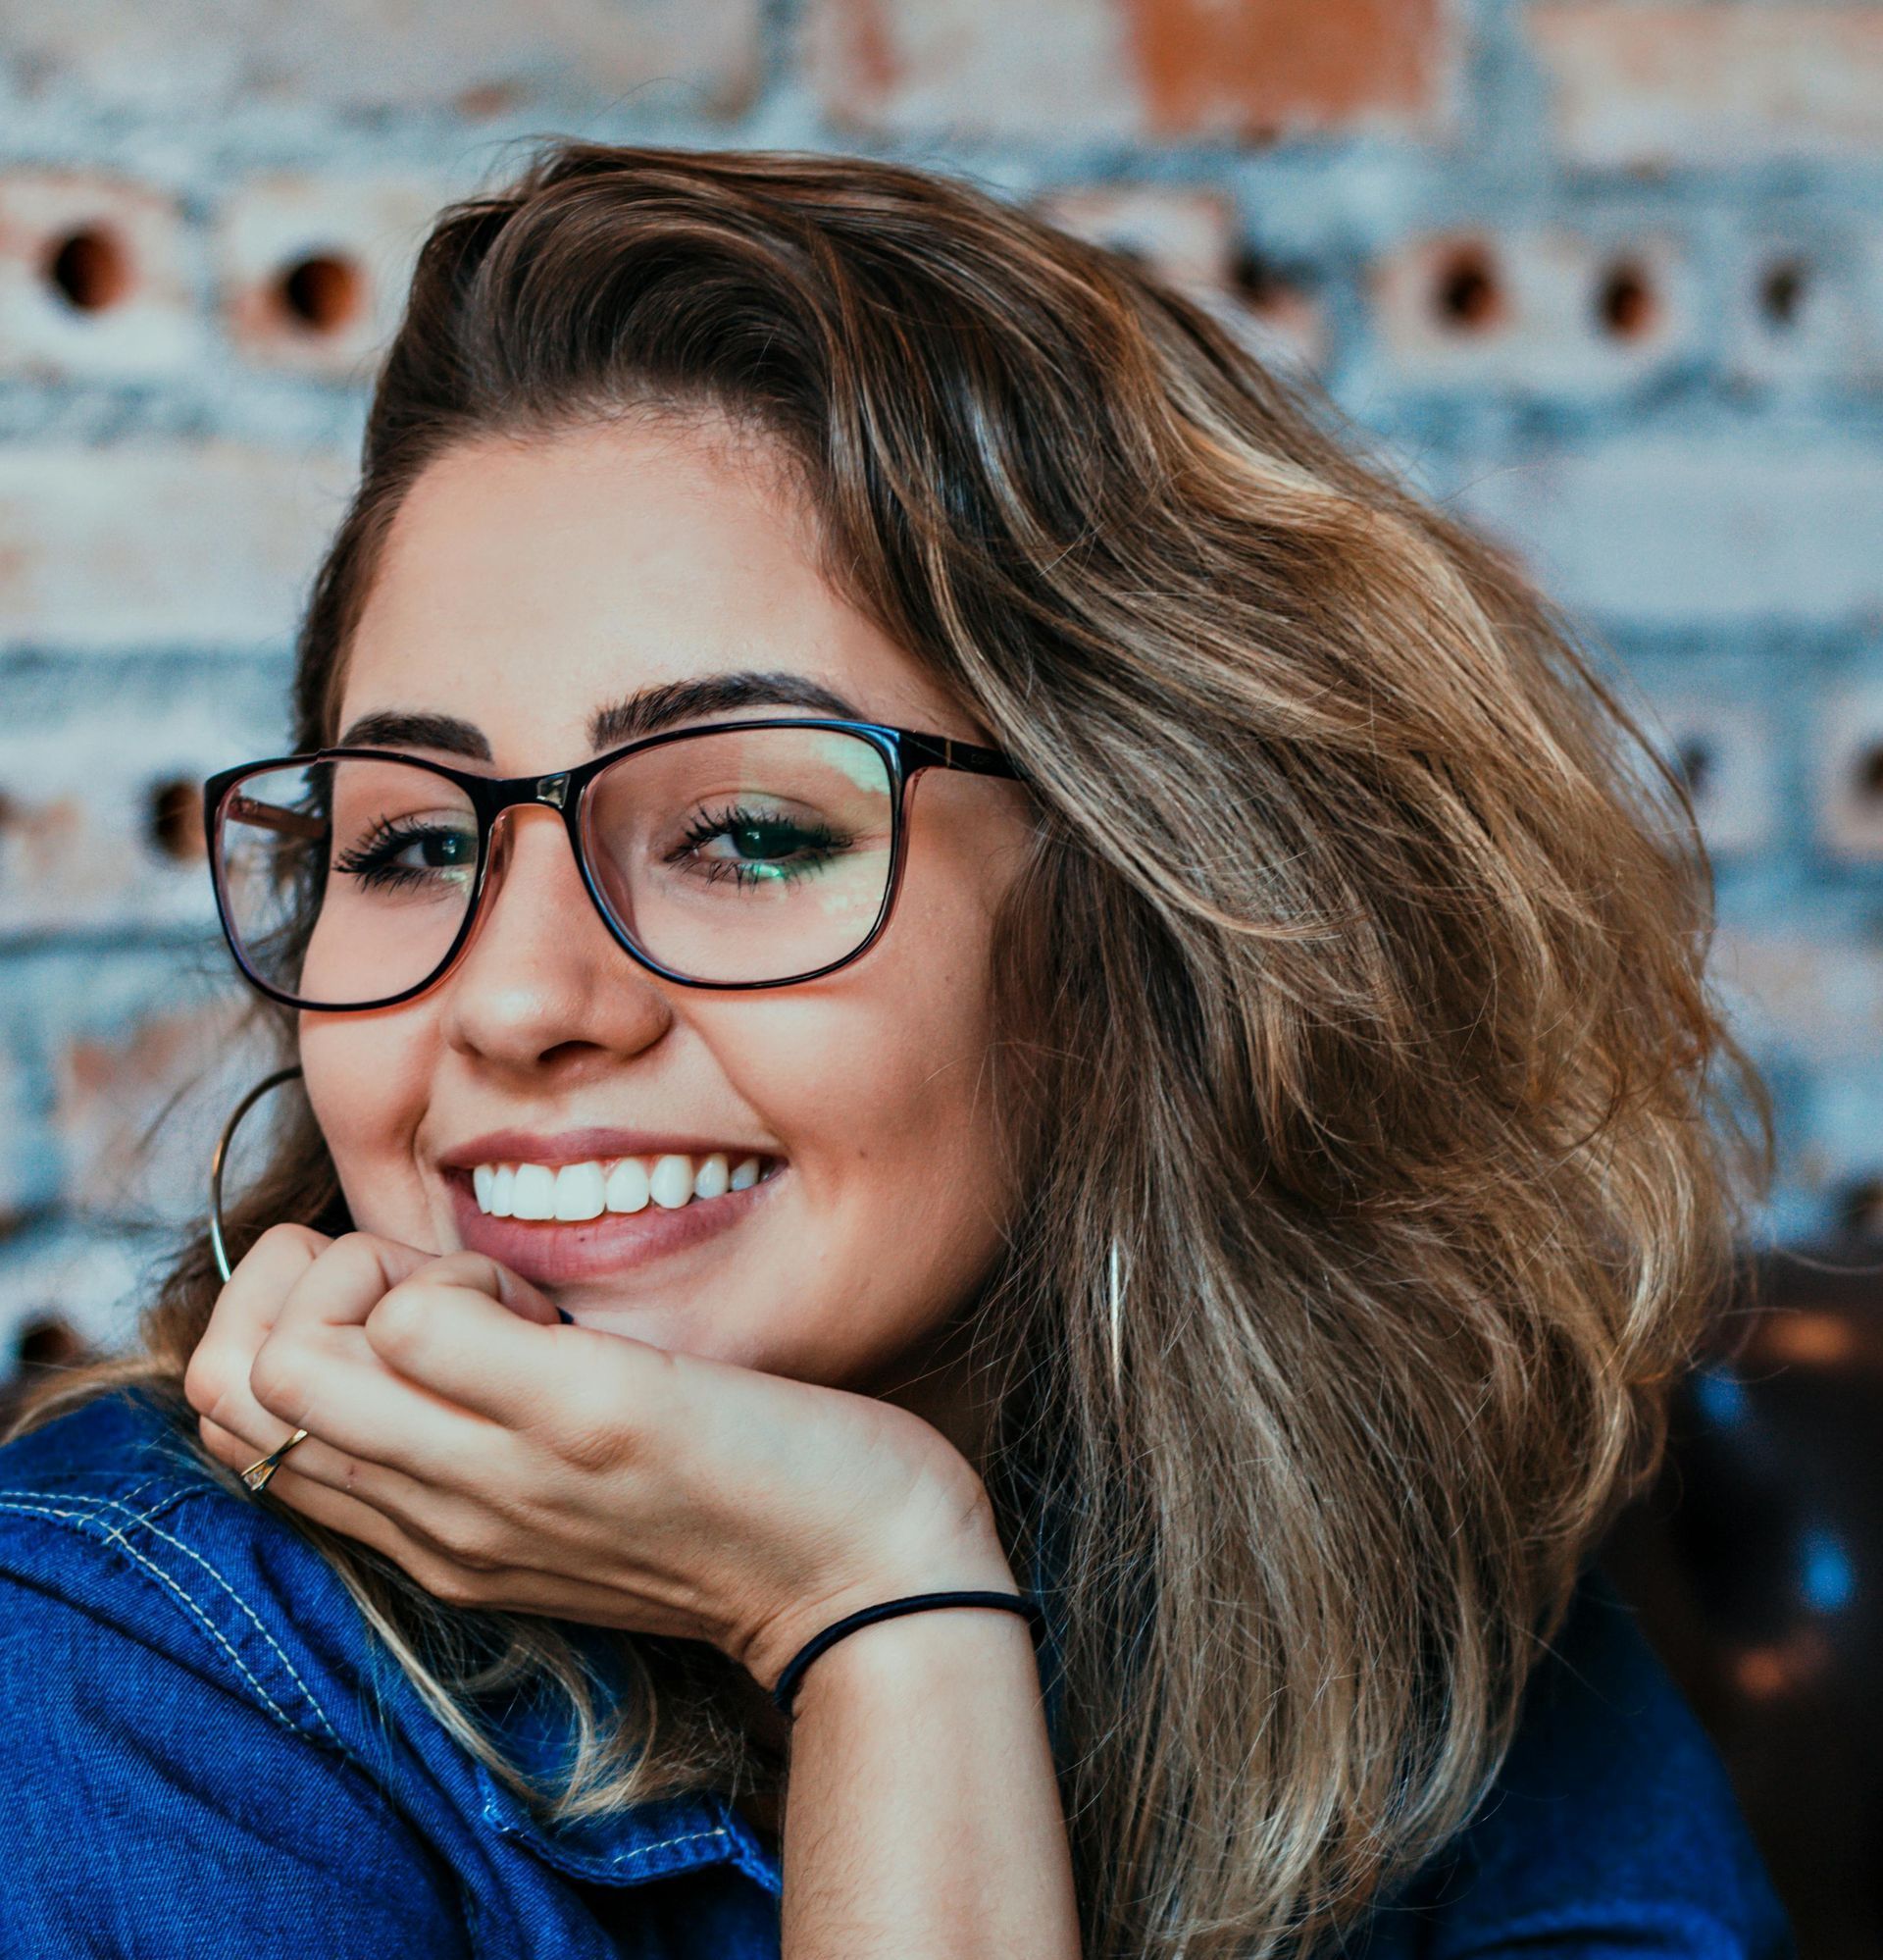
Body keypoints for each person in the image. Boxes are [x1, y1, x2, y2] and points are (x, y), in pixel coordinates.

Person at [0, 142, 1791, 1959]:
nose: (518, 1000)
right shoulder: (118, 1666)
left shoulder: (1379, 1560)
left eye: (747, 832)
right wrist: (881, 1613)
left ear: (1142, 924)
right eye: (413, 842)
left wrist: (881, 1586)